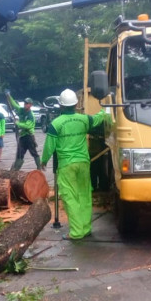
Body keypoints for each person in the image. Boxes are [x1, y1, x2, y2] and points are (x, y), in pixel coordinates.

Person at [41, 89, 109, 240]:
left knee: (70, 197)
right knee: (84, 195)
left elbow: (49, 147)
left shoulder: (55, 124)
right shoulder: (84, 119)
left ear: (61, 105)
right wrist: (106, 109)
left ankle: (77, 232)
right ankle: (86, 228)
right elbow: (98, 118)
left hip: (66, 165)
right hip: (83, 163)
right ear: (76, 104)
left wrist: (43, 161)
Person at [6, 93, 41, 170]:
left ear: (30, 105)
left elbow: (27, 126)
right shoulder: (21, 110)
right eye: (25, 103)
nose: (26, 104)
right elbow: (14, 105)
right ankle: (16, 170)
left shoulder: (30, 115)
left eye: (27, 103)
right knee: (20, 154)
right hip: (22, 136)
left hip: (29, 136)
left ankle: (39, 168)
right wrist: (9, 96)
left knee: (34, 152)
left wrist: (18, 123)